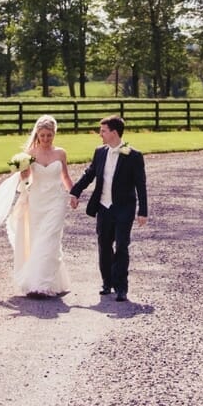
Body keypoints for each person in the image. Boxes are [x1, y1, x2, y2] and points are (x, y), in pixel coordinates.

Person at [69, 116, 147, 301]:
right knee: (104, 246)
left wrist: (143, 211)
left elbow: (140, 185)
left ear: (114, 132)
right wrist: (75, 192)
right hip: (103, 207)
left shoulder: (134, 155)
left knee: (121, 246)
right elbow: (90, 174)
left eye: (103, 131)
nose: (100, 134)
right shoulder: (100, 152)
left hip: (124, 208)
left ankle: (121, 287)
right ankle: (107, 282)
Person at [5, 114, 74, 297]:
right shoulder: (30, 153)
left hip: (56, 200)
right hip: (37, 201)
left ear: (54, 134)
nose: (45, 139)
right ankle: (43, 280)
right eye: (42, 135)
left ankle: (41, 285)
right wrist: (22, 173)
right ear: (37, 134)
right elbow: (26, 178)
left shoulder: (61, 153)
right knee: (38, 240)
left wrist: (73, 193)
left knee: (49, 238)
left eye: (49, 135)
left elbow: (65, 176)